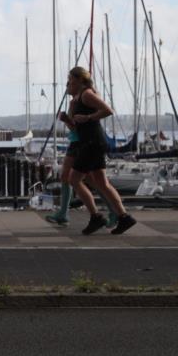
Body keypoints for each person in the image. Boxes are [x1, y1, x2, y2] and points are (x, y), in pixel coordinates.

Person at [64, 67, 136, 235]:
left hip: (92, 143)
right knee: (102, 183)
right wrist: (69, 117)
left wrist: (88, 117)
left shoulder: (87, 94)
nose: (69, 82)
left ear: (80, 80)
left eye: (71, 79)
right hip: (90, 142)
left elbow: (108, 110)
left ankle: (96, 217)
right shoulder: (77, 99)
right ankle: (124, 217)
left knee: (73, 179)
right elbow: (76, 125)